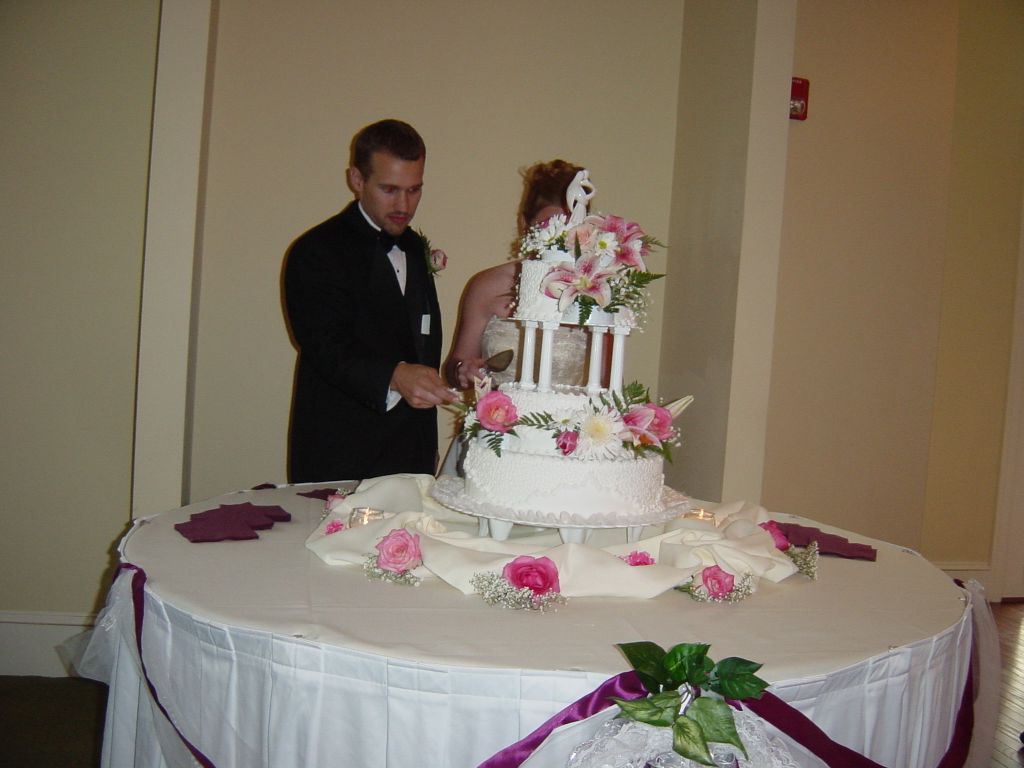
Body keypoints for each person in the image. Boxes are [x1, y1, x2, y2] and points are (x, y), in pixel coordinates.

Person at [284, 119, 456, 483]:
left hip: (411, 458)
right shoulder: (315, 250)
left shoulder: (414, 248)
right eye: (390, 189)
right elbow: (325, 346)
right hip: (341, 455)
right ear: (357, 180)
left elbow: (419, 342)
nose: (404, 205)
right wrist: (394, 375)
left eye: (414, 190)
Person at [442, 159, 590, 391]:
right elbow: (454, 368)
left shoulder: (596, 289)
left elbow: (608, 380)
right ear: (524, 224)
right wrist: (464, 370)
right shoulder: (487, 285)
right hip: (501, 422)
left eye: (568, 229)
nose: (557, 240)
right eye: (547, 227)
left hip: (577, 424)